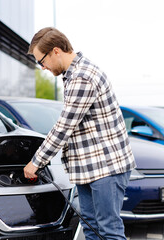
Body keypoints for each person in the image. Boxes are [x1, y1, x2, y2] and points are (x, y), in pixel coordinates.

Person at [23, 27, 136, 240]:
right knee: (91, 228)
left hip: (106, 168)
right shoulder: (73, 75)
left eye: (42, 61)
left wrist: (36, 162)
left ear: (56, 51)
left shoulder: (83, 77)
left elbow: (64, 126)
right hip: (89, 169)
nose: (43, 67)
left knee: (108, 231)